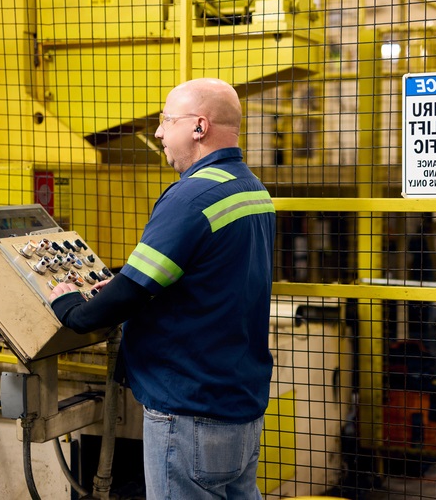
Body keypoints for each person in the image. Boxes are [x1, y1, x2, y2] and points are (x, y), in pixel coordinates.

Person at [48, 78, 276, 499]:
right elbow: (196, 270)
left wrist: (70, 308)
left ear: (199, 127)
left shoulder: (192, 196)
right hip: (237, 404)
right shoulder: (250, 188)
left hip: (189, 410)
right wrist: (123, 278)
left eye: (166, 120)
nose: (157, 132)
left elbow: (134, 290)